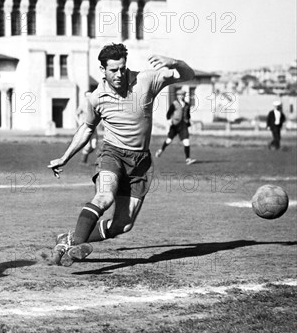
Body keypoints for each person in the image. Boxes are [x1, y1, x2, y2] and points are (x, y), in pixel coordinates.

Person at [48, 43, 195, 267]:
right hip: (112, 154)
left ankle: (67, 239)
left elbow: (188, 74)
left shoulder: (146, 80)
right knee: (104, 197)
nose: (119, 74)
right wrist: (64, 157)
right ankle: (75, 246)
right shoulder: (96, 98)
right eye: (113, 70)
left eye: (122, 68)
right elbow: (87, 129)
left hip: (141, 163)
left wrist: (175, 62)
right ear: (103, 70)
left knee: (123, 226)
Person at [154, 90, 197, 165]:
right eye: (179, 95)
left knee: (186, 141)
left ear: (184, 95)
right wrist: (169, 120)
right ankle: (161, 150)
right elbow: (168, 114)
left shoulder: (187, 105)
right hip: (175, 125)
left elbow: (188, 115)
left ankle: (188, 159)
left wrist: (190, 120)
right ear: (177, 96)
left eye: (182, 95)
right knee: (169, 140)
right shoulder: (174, 104)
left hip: (183, 125)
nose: (181, 96)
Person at [76, 91, 98, 164]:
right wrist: (79, 122)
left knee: (94, 145)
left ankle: (85, 155)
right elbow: (76, 114)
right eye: (87, 96)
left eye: (90, 95)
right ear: (85, 96)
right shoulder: (82, 105)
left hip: (94, 127)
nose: (89, 97)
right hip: (86, 127)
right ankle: (83, 161)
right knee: (87, 145)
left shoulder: (95, 104)